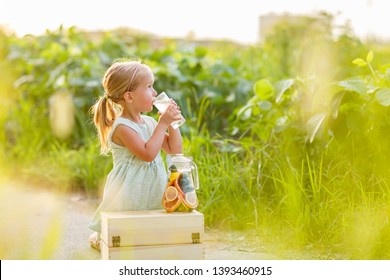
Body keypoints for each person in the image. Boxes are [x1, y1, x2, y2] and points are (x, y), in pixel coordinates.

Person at [88, 59, 183, 250]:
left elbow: (174, 149)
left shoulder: (148, 122)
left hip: (152, 187)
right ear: (129, 97)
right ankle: (100, 237)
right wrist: (163, 123)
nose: (155, 93)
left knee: (150, 231)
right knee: (122, 230)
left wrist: (172, 123)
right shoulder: (122, 127)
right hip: (129, 192)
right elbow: (147, 154)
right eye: (149, 87)